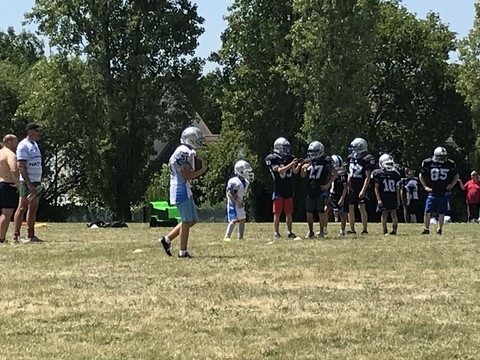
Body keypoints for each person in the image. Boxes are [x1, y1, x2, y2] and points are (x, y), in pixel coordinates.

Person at [159, 126, 207, 258]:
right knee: (186, 220)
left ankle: (167, 239)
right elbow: (187, 175)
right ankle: (183, 252)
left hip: (184, 187)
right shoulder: (184, 152)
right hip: (180, 188)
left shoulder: (186, 151)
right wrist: (202, 171)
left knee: (192, 219)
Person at [265, 137, 302, 240]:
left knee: (289, 212)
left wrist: (298, 165)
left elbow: (294, 171)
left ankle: (289, 231)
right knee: (277, 212)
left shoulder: (290, 158)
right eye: (284, 148)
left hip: (288, 188)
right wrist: (290, 165)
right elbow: (280, 171)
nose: (286, 150)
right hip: (278, 189)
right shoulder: (272, 158)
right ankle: (276, 233)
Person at [13, 123, 43, 243]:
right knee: (22, 207)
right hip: (27, 181)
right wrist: (29, 184)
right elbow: (21, 166)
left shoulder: (34, 145)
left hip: (36, 180)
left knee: (34, 206)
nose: (38, 133)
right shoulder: (23, 146)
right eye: (37, 131)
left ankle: (31, 234)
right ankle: (16, 235)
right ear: (30, 131)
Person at [419, 146, 458, 235]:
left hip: (443, 191)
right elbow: (421, 175)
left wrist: (451, 185)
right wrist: (425, 186)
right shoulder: (428, 163)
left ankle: (439, 229)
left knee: (442, 212)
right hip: (432, 192)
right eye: (440, 156)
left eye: (444, 156)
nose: (443, 158)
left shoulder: (450, 164)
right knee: (427, 211)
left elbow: (456, 176)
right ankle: (426, 228)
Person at [300, 141, 335, 238]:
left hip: (320, 189)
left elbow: (334, 173)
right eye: (310, 152)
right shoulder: (308, 161)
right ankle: (310, 231)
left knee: (321, 211)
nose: (311, 154)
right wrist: (303, 168)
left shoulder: (326, 160)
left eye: (314, 152)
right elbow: (302, 175)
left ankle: (321, 231)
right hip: (310, 189)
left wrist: (328, 184)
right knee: (309, 211)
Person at [347, 137, 376, 234]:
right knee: (350, 207)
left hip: (361, 183)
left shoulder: (367, 158)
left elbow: (367, 176)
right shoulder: (351, 157)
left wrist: (363, 190)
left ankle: (364, 229)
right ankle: (352, 229)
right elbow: (349, 173)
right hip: (352, 184)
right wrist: (348, 184)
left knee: (361, 207)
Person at [224, 160, 254, 241]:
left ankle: (240, 237)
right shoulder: (234, 181)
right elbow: (230, 193)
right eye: (246, 171)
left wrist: (241, 202)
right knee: (234, 219)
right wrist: (237, 202)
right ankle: (227, 236)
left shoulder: (245, 182)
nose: (248, 173)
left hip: (240, 202)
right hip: (233, 203)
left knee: (242, 219)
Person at [372, 154, 402, 235]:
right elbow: (397, 188)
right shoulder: (395, 174)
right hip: (391, 196)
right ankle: (390, 230)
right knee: (391, 214)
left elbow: (376, 187)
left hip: (385, 196)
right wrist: (398, 199)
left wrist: (378, 199)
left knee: (387, 214)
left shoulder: (379, 173)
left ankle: (386, 230)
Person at [0, 134, 19, 243]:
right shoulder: (10, 154)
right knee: (7, 213)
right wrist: (17, 184)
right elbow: (13, 170)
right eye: (15, 142)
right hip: (7, 185)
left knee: (2, 213)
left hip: (0, 182)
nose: (17, 145)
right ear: (9, 142)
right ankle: (1, 238)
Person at [328, 155, 348, 236]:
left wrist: (342, 198)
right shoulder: (332, 172)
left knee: (342, 214)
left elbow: (345, 187)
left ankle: (342, 231)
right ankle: (324, 229)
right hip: (332, 195)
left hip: (338, 196)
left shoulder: (342, 173)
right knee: (325, 210)